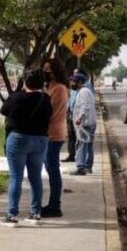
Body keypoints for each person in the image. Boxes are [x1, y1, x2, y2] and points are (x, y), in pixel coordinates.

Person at [0, 69, 51, 227]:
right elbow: (50, 115)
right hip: (40, 140)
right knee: (35, 177)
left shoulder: (17, 97)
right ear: (42, 83)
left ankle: (12, 215)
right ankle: (35, 213)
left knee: (16, 177)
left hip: (18, 139)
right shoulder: (45, 99)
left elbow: (3, 110)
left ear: (25, 82)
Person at [41, 58, 70, 217]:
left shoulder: (59, 89)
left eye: (48, 70)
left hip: (54, 134)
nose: (45, 72)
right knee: (50, 169)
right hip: (48, 134)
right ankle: (52, 204)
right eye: (44, 69)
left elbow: (51, 112)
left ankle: (54, 206)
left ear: (55, 72)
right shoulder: (49, 87)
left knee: (53, 170)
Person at [71, 73, 97, 175]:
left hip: (84, 124)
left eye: (73, 81)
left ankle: (81, 167)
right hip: (89, 122)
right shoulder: (86, 91)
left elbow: (85, 106)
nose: (71, 83)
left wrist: (80, 118)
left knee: (81, 145)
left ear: (80, 82)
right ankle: (87, 167)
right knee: (88, 145)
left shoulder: (83, 91)